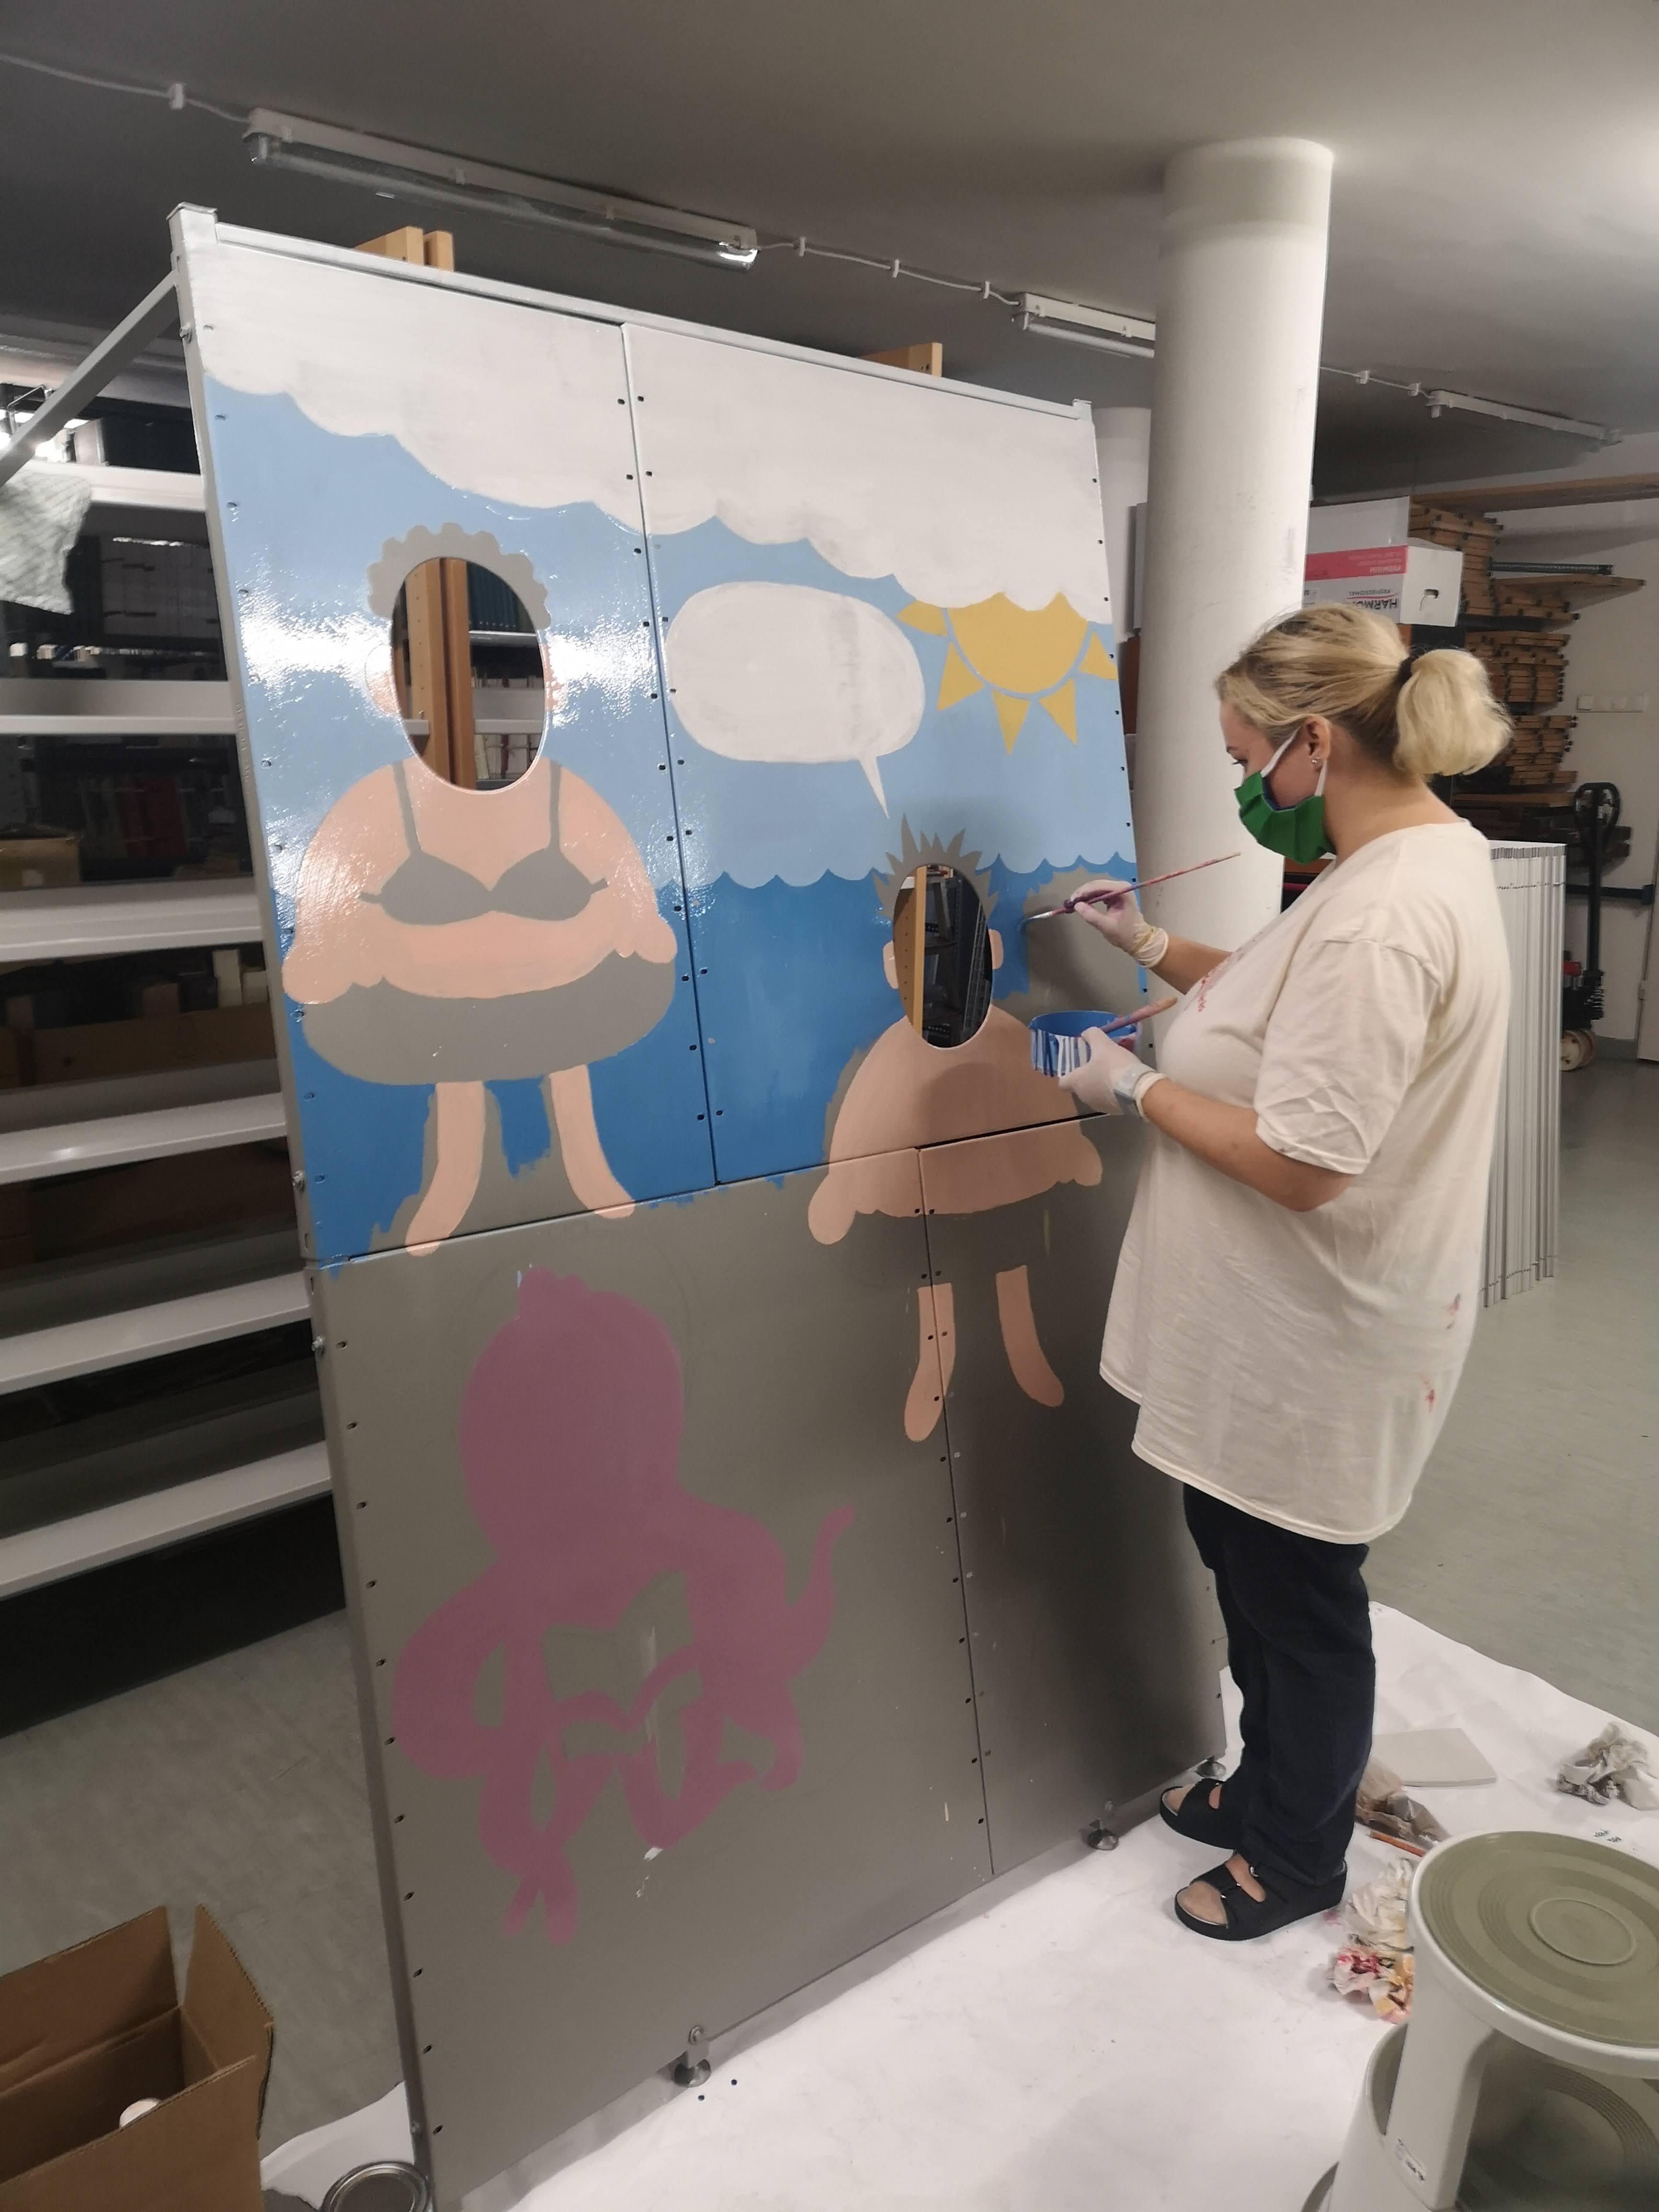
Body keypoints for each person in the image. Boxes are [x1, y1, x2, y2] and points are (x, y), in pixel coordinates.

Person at [1057, 602, 1511, 1940]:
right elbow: (1278, 1004)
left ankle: (1297, 1857)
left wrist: (1132, 1088)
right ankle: (1271, 1789)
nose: (1247, 785)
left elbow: (1308, 1162)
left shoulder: (1383, 916)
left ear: (1315, 741)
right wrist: (1148, 945)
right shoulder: (1408, 859)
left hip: (1317, 1331)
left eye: (1247, 757)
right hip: (1291, 1318)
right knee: (1249, 1571)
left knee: (1297, 1603)